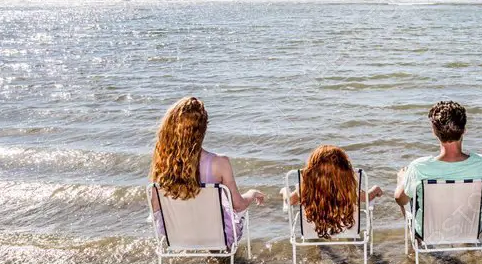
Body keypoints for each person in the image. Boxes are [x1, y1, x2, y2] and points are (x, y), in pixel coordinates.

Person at [149, 96, 265, 244]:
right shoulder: (219, 163)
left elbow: (156, 207)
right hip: (217, 237)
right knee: (233, 211)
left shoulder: (162, 162)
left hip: (176, 236)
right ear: (204, 128)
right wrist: (252, 193)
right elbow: (238, 205)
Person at [394, 100, 482, 213]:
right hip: (469, 228)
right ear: (464, 130)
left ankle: (413, 231)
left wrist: (402, 180)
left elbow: (400, 200)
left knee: (407, 195)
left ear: (434, 132)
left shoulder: (419, 167)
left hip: (429, 230)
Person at [281, 145, 383, 238]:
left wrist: (284, 191)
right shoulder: (349, 191)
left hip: (314, 231)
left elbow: (289, 200)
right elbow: (368, 197)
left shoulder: (306, 190)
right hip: (345, 230)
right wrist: (376, 189)